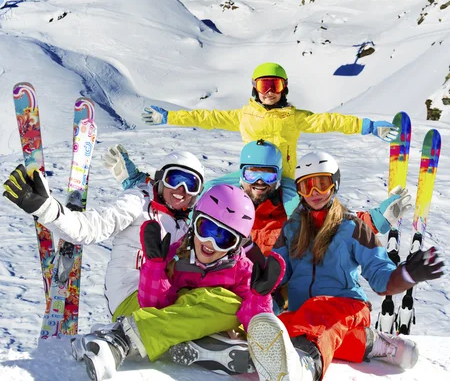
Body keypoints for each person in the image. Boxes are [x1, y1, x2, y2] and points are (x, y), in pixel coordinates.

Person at [245, 151, 445, 381]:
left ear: (334, 183)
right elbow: (278, 271)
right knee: (285, 326)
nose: (315, 193)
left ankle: (306, 364)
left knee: (316, 314)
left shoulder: (352, 227)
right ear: (299, 191)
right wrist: (258, 272)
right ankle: (374, 343)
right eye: (307, 186)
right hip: (307, 315)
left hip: (347, 305)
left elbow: (380, 276)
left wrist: (406, 275)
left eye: (322, 184)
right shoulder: (291, 229)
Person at [71, 184, 286, 381]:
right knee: (220, 301)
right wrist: (155, 267)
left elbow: (256, 326)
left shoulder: (242, 270)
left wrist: (259, 297)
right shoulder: (176, 256)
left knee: (232, 304)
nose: (210, 243)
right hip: (166, 317)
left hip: (203, 324)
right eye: (206, 229)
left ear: (235, 246)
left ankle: (198, 343)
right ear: (194, 224)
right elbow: (153, 306)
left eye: (224, 238)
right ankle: (122, 338)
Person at [108, 140, 412, 257]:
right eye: (253, 174)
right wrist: (136, 181)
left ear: (277, 177)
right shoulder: (221, 196)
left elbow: (333, 222)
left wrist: (376, 220)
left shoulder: (290, 203)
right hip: (221, 279)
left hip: (271, 288)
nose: (258, 184)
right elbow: (179, 198)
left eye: (267, 176)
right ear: (241, 173)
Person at [3, 150, 205, 323]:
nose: (181, 190)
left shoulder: (186, 221)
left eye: (191, 184)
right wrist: (47, 209)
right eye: (175, 179)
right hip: (132, 295)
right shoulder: (137, 202)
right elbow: (91, 227)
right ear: (161, 178)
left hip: (163, 295)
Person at [141, 62, 399, 180]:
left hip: (283, 180)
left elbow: (330, 121)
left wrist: (369, 127)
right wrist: (168, 117)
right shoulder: (243, 116)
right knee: (211, 192)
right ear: (254, 88)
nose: (269, 91)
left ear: (284, 88)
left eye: (275, 84)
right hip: (249, 178)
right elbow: (205, 117)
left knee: (290, 221)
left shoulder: (294, 118)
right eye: (264, 85)